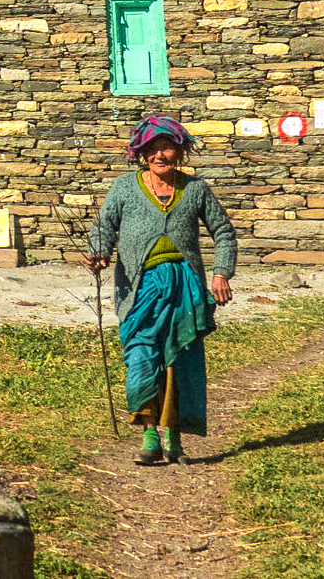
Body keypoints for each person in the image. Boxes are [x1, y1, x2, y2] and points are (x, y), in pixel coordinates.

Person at [85, 115, 237, 464]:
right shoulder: (125, 188)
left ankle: (175, 438)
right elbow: (104, 227)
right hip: (140, 289)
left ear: (180, 152)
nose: (159, 155)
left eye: (167, 147)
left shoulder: (195, 190)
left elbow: (224, 233)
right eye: (152, 149)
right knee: (141, 357)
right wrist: (99, 253)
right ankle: (149, 433)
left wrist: (220, 274)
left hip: (185, 287)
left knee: (179, 363)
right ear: (142, 153)